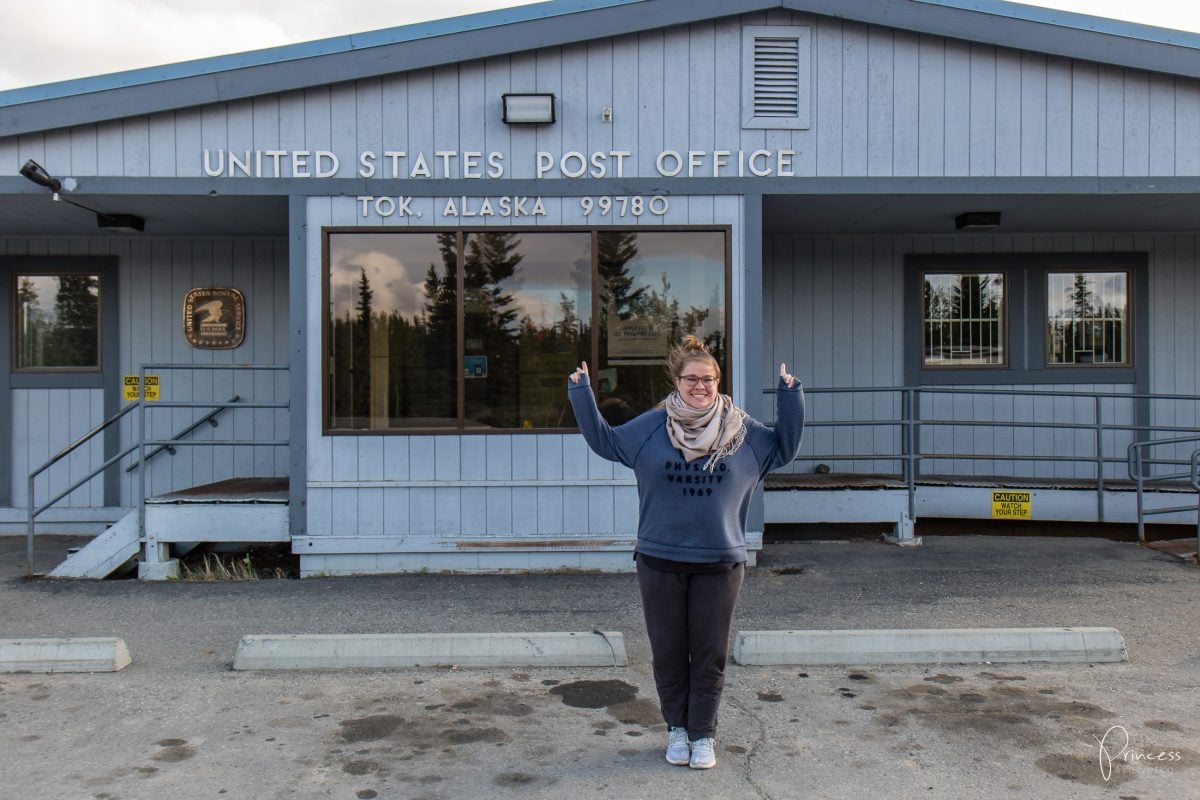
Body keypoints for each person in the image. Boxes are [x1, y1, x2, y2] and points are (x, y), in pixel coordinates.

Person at [567, 335, 804, 770]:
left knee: (709, 655)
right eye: (691, 379)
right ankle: (676, 730)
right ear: (677, 381)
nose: (700, 386)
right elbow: (604, 441)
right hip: (660, 560)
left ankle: (704, 735)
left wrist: (791, 396)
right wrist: (581, 392)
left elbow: (785, 448)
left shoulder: (744, 431)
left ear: (718, 381)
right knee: (670, 653)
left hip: (720, 562)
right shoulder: (650, 428)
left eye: (708, 379)